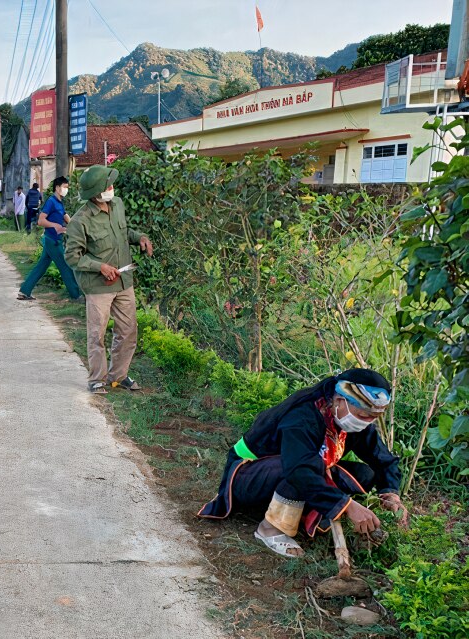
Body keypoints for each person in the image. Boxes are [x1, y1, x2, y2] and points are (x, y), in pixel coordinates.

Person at [198, 368, 404, 558]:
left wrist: (390, 491)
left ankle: (301, 513)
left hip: (293, 471)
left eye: (373, 418)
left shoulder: (354, 421)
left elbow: (382, 459)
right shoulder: (303, 416)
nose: (367, 422)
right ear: (340, 400)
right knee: (303, 470)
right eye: (363, 416)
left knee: (364, 474)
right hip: (248, 477)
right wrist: (347, 506)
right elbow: (299, 470)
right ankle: (270, 530)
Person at [64, 165, 153, 394]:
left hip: (124, 281)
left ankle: (118, 376)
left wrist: (139, 238)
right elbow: (72, 257)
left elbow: (123, 233)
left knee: (128, 330)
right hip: (98, 287)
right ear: (95, 192)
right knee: (97, 334)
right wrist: (99, 267)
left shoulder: (118, 205)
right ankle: (97, 378)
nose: (112, 188)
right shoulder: (80, 221)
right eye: (107, 185)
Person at [17, 177, 82, 304]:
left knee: (41, 267)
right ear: (57, 188)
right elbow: (41, 221)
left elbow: (65, 216)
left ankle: (24, 291)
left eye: (67, 187)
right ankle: (76, 296)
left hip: (52, 239)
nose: (66, 189)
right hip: (53, 240)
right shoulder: (51, 201)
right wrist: (54, 225)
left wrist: (76, 226)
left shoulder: (59, 202)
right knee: (65, 266)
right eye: (65, 187)